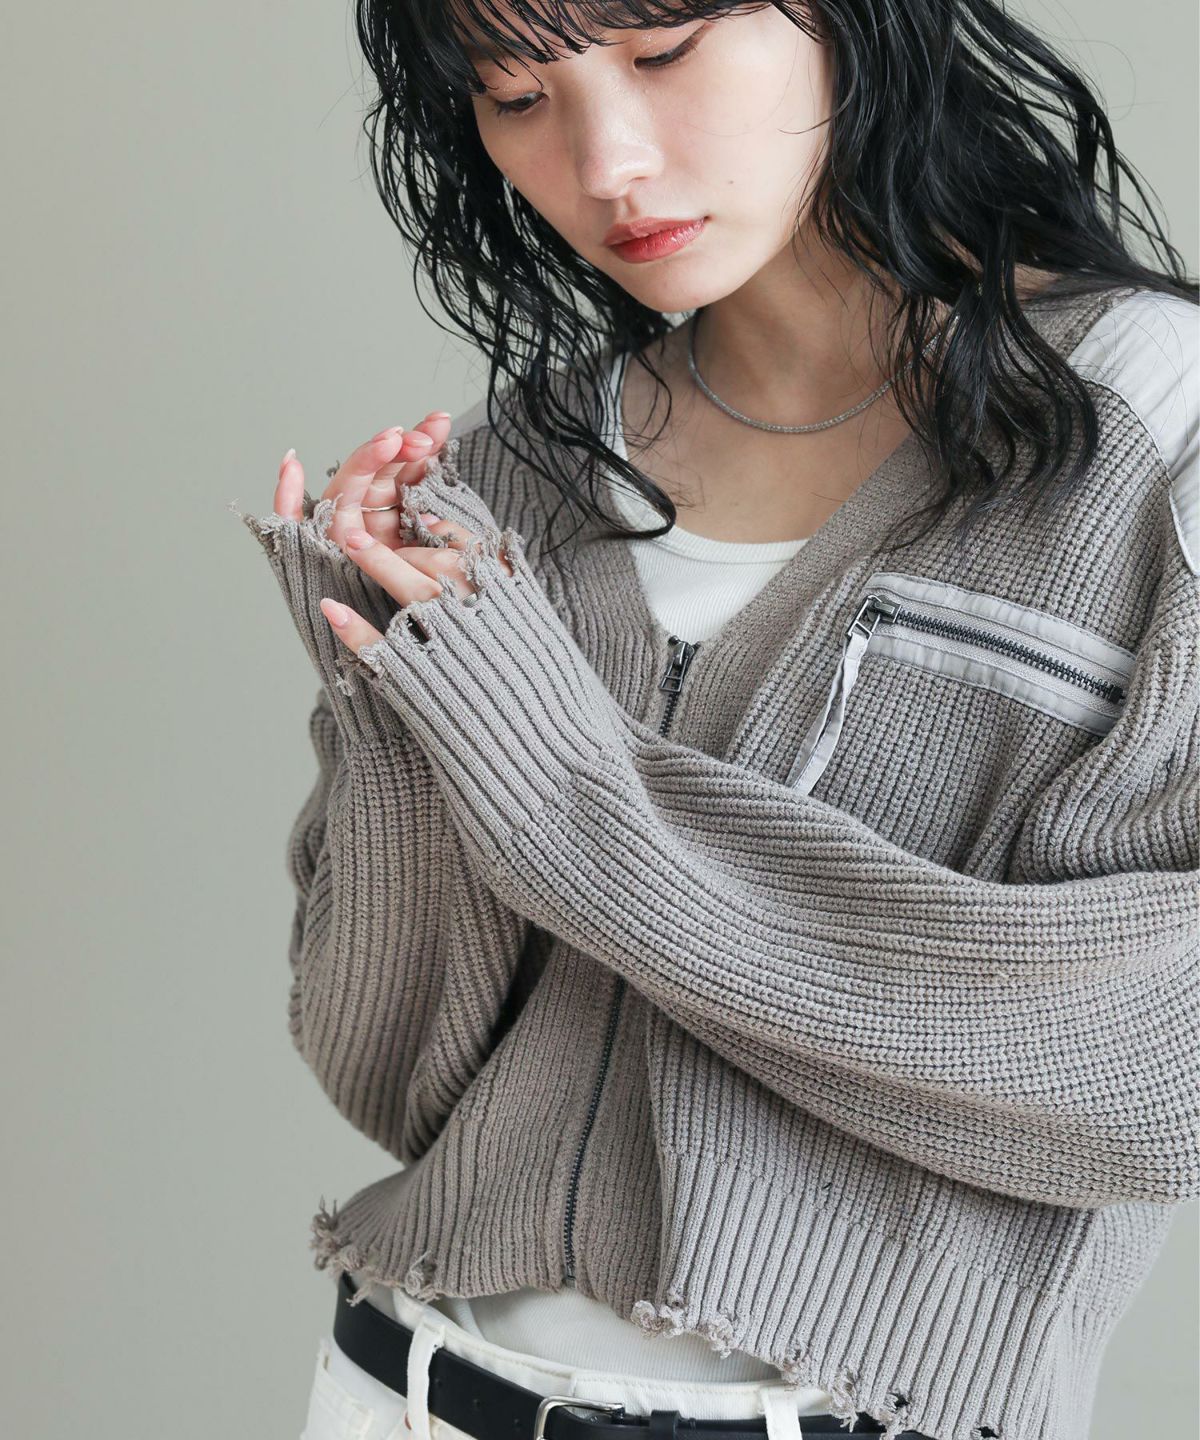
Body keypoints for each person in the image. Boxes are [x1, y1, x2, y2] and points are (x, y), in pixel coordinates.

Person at [231, 1, 1199, 1437]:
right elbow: (389, 1070)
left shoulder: (1158, 422)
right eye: (515, 96)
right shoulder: (514, 475)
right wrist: (396, 701)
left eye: (664, 52)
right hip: (403, 1385)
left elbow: (1157, 1069)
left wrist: (556, 785)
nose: (605, 164)